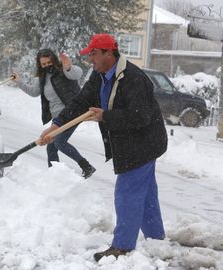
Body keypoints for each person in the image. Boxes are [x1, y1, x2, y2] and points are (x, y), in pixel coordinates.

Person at [39, 34, 168, 262]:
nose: (90, 59)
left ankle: (122, 247)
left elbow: (141, 116)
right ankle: (156, 239)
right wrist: (56, 125)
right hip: (131, 140)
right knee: (145, 193)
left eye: (94, 54)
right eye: (89, 54)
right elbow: (80, 102)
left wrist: (105, 116)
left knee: (127, 192)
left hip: (144, 141)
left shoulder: (134, 78)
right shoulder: (100, 76)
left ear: (109, 52)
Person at [12, 49, 96, 179]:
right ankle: (54, 177)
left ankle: (86, 166)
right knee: (51, 148)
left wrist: (68, 67)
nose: (47, 66)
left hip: (72, 112)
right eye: (43, 64)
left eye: (48, 62)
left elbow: (76, 74)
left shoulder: (63, 70)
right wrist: (19, 81)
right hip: (58, 118)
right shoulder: (42, 78)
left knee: (60, 142)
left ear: (53, 60)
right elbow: (34, 92)